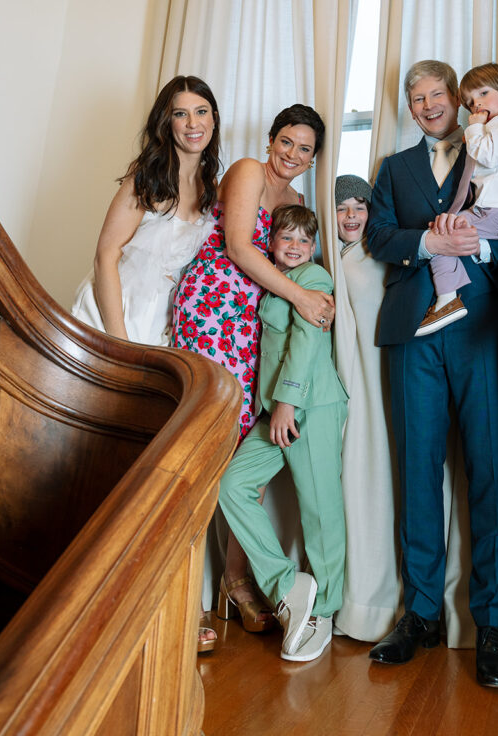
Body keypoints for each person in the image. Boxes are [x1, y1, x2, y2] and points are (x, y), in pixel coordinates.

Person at [366, 60, 498, 687]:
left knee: (489, 471)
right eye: (416, 97)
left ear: (457, 99)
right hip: (412, 333)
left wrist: (475, 248)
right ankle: (421, 615)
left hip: (479, 327)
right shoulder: (393, 169)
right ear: (409, 108)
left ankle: (491, 626)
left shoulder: (497, 148)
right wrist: (427, 245)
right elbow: (377, 234)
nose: (428, 104)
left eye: (436, 94)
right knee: (418, 473)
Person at [72, 74, 221, 652]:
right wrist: (119, 343)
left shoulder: (212, 186)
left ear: (213, 120)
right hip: (116, 319)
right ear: (167, 122)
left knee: (152, 468)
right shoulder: (145, 178)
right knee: (97, 456)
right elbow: (106, 254)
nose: (192, 123)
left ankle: (148, 600)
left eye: (202, 111)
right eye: (181, 113)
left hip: (169, 334)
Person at [172, 104, 333, 634]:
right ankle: (188, 591)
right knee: (203, 447)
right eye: (286, 141)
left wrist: (316, 300)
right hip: (215, 311)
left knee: (242, 458)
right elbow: (240, 247)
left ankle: (235, 580)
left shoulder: (300, 202)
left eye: (304, 148)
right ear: (270, 139)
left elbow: (299, 262)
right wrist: (303, 297)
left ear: (313, 158)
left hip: (256, 326)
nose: (292, 154)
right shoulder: (246, 171)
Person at [219, 205, 347, 663]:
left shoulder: (314, 279)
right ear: (271, 243)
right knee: (232, 486)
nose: (294, 247)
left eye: (303, 241)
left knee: (319, 509)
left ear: (313, 248)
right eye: (285, 238)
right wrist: (276, 406)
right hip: (273, 410)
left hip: (310, 406)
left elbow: (306, 341)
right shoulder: (275, 282)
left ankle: (324, 611)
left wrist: (288, 402)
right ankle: (288, 585)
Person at [332, 175, 402, 642]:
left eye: (360, 206)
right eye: (343, 209)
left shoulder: (376, 256)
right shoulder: (331, 261)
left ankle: (379, 603)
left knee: (379, 481)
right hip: (351, 387)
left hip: (382, 383)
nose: (352, 216)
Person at [416, 63, 498, 336]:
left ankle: (447, 298)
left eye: (483, 94)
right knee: (445, 229)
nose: (476, 105)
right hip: (494, 212)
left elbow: (487, 155)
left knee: (441, 233)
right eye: (470, 102)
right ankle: (476, 251)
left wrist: (475, 128)